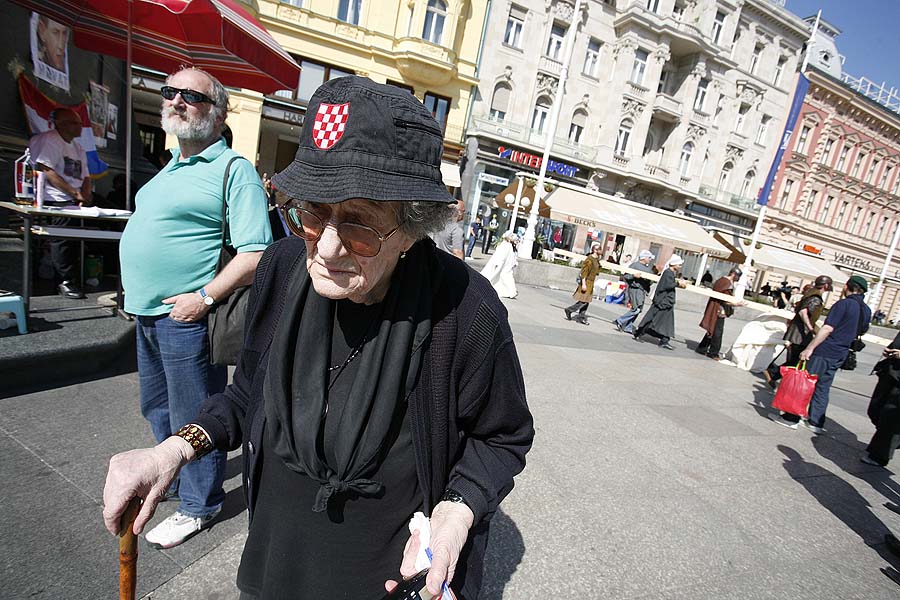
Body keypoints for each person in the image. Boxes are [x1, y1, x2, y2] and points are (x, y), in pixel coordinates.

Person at [103, 76, 534, 600]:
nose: (327, 249)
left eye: (360, 227)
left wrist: (457, 511)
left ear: (410, 230)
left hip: (388, 578)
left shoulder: (466, 309)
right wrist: (172, 451)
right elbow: (247, 394)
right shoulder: (283, 267)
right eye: (312, 213)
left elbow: (502, 437)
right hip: (274, 560)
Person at [116, 67, 273, 549]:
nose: (177, 100)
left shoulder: (233, 169)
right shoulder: (168, 166)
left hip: (186, 318)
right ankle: (174, 473)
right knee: (156, 407)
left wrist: (203, 298)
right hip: (146, 314)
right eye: (170, 92)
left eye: (192, 95)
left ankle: (199, 504)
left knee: (194, 413)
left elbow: (256, 253)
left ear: (219, 114)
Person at [770, 276, 871, 433]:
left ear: (847, 287)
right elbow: (863, 330)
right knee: (823, 386)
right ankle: (815, 422)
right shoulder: (866, 310)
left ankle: (791, 418)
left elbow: (827, 328)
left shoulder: (843, 304)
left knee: (804, 382)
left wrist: (809, 348)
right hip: (842, 353)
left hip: (826, 349)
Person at [28, 107, 92, 299]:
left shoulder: (78, 147)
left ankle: (76, 276)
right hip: (54, 199)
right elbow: (47, 170)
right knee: (62, 241)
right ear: (60, 124)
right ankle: (64, 281)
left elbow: (86, 176)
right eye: (74, 123)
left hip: (74, 200)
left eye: (80, 123)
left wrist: (84, 195)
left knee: (74, 241)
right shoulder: (51, 140)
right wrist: (75, 193)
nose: (79, 127)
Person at [763, 275, 832, 389]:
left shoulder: (810, 294)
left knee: (794, 360)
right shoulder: (815, 298)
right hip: (800, 334)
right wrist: (810, 328)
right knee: (795, 361)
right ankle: (773, 373)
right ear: (826, 285)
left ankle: (779, 378)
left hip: (797, 332)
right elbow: (803, 312)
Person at [861, 332, 900, 467]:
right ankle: (886, 441)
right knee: (875, 410)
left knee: (890, 417)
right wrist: (890, 349)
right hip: (890, 372)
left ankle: (879, 455)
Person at [633, 254, 686, 350]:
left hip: (666, 302)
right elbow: (667, 285)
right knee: (653, 319)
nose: (680, 266)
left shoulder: (670, 273)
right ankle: (640, 333)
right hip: (663, 302)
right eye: (679, 264)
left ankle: (664, 340)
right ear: (674, 264)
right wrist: (678, 283)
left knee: (665, 321)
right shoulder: (668, 273)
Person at [695, 267, 742, 360]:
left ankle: (702, 348)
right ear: (733, 274)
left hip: (718, 308)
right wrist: (736, 304)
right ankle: (713, 353)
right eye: (737, 276)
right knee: (717, 332)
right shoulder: (726, 282)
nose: (738, 278)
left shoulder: (723, 280)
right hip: (719, 310)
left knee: (713, 329)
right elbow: (725, 298)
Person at [614, 249, 654, 334]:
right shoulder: (634, 265)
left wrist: (649, 281)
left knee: (638, 309)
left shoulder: (649, 269)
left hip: (642, 290)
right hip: (635, 289)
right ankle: (620, 320)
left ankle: (628, 326)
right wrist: (634, 276)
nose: (650, 259)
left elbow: (651, 281)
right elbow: (626, 276)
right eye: (649, 258)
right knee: (636, 309)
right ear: (644, 258)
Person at [564, 242, 603, 326]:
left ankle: (581, 317)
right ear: (595, 250)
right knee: (584, 301)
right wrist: (584, 284)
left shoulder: (596, 259)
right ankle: (570, 310)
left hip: (591, 282)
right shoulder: (589, 260)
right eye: (599, 249)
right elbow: (584, 272)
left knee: (587, 300)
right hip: (587, 282)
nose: (601, 250)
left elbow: (597, 270)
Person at [480, 231, 519, 298]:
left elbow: (504, 256)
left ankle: (512, 291)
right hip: (504, 265)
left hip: (504, 265)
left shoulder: (506, 245)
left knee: (502, 276)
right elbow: (503, 256)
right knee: (505, 277)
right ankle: (512, 291)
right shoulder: (507, 246)